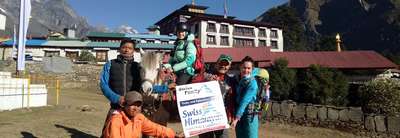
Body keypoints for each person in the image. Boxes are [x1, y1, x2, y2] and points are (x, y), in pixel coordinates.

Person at [102, 91, 184, 138]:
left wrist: (174, 134)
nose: (136, 108)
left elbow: (156, 129)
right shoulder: (116, 121)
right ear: (124, 105)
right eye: (132, 105)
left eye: (138, 105)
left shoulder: (139, 118)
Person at [199, 54, 237, 138]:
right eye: (221, 63)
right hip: (205, 117)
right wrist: (207, 79)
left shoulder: (231, 81)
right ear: (216, 64)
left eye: (226, 64)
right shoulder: (206, 75)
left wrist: (232, 115)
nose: (223, 66)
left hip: (222, 117)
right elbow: (197, 79)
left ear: (229, 66)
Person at [231, 56, 259, 138]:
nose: (246, 70)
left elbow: (244, 101)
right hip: (238, 113)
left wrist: (236, 118)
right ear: (240, 67)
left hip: (250, 115)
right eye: (244, 67)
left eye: (248, 68)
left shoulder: (252, 83)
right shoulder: (236, 79)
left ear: (252, 69)